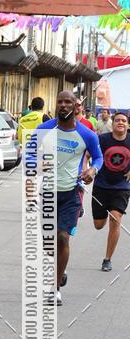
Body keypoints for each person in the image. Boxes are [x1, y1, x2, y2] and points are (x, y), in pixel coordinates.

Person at [32, 90, 103, 305]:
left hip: (72, 193)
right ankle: (59, 272)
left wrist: (93, 171)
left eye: (67, 102)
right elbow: (30, 154)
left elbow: (98, 157)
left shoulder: (86, 134)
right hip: (47, 193)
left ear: (76, 106)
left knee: (62, 237)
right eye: (59, 102)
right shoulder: (44, 129)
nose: (63, 105)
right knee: (48, 243)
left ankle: (54, 288)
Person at [91, 111, 130, 271]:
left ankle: (107, 259)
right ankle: (103, 215)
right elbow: (90, 154)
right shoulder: (103, 139)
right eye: (118, 120)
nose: (120, 122)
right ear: (112, 124)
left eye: (124, 121)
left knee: (116, 219)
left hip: (122, 187)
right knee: (99, 225)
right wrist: (90, 169)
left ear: (127, 124)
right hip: (101, 185)